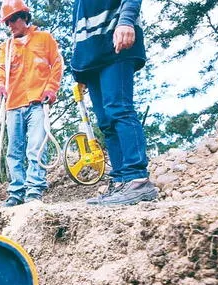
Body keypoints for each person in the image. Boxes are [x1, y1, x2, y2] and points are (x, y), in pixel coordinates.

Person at [71, 0, 158, 206]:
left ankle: (137, 179)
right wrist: (78, 69)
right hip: (90, 58)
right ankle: (120, 181)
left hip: (115, 43)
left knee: (119, 110)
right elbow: (78, 31)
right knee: (106, 122)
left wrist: (126, 20)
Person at [0, 0, 64, 207]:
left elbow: (57, 65)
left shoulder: (44, 39)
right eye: (7, 22)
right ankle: (16, 192)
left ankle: (34, 190)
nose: (10, 25)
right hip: (13, 104)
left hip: (37, 103)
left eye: (13, 19)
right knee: (13, 151)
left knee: (36, 147)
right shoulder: (5, 47)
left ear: (24, 17)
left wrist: (51, 89)